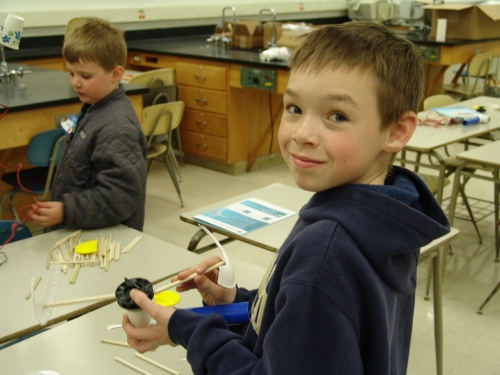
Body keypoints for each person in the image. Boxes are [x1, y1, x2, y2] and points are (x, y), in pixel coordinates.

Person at [122, 21, 450, 374]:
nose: (302, 134)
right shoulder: (385, 216)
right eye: (294, 108)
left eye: (337, 116)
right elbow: (307, 329)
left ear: (396, 131)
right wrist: (235, 303)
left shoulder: (325, 253)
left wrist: (191, 329)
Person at [30, 18, 147, 232]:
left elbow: (120, 197)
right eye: (71, 73)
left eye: (85, 75)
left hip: (103, 241)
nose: (75, 82)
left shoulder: (117, 127)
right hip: (84, 229)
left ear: (116, 74)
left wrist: (66, 210)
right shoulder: (92, 107)